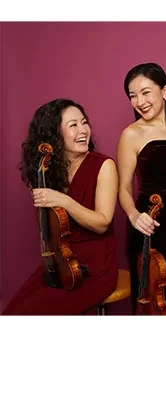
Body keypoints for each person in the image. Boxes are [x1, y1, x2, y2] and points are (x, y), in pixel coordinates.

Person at [3, 99, 118, 315]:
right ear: (54, 134)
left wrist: (62, 199)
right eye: (73, 125)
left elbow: (102, 223)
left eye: (84, 123)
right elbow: (47, 228)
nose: (83, 130)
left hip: (94, 266)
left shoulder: (104, 166)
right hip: (59, 262)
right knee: (13, 313)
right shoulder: (46, 172)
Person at [117, 62, 166, 315]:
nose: (139, 101)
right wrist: (133, 216)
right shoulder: (131, 134)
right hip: (149, 225)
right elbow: (124, 188)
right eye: (132, 96)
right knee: (149, 300)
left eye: (145, 92)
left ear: (165, 91)